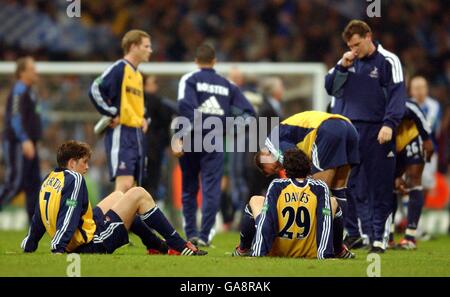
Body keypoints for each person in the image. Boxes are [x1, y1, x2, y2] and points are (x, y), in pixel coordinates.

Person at [21, 140, 206, 256]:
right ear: (71, 163)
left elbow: (39, 214)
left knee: (119, 195)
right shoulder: (75, 178)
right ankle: (179, 245)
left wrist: (30, 243)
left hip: (82, 232)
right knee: (138, 194)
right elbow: (69, 212)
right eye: (84, 162)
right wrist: (58, 249)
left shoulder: (50, 178)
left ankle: (156, 245)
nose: (87, 168)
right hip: (91, 244)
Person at [325, 20, 406, 253]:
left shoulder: (388, 61)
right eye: (350, 45)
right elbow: (330, 88)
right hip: (351, 131)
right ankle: (359, 233)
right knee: (351, 186)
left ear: (369, 37)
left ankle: (380, 238)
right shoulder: (348, 61)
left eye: (357, 44)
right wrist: (341, 65)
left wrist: (389, 123)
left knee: (380, 186)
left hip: (379, 131)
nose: (354, 49)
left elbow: (396, 95)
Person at [174, 44, 255, 246]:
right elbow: (250, 114)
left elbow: (185, 107)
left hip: (193, 137)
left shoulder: (189, 79)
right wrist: (230, 127)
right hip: (216, 138)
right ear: (215, 61)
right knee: (212, 188)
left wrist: (179, 136)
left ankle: (191, 232)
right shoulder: (226, 84)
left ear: (196, 61)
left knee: (189, 187)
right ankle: (204, 236)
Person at [253, 110, 359, 257]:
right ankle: (351, 234)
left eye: (276, 167)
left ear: (265, 155)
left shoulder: (271, 141)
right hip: (349, 128)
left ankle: (320, 242)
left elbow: (296, 162)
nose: (281, 168)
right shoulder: (283, 133)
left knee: (315, 192)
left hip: (327, 130)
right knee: (339, 189)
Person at [234, 148, 342, 259]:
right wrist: (326, 254)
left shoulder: (276, 185)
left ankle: (243, 248)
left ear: (285, 170)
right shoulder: (319, 187)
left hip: (277, 249)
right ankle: (339, 250)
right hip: (311, 251)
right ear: (309, 166)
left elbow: (267, 220)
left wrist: (258, 252)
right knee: (333, 202)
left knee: (256, 200)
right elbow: (324, 222)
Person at [89, 30, 150, 192]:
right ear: (133, 47)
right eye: (146, 46)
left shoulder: (137, 75)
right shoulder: (119, 69)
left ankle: (121, 218)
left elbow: (134, 104)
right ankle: (101, 217)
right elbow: (95, 88)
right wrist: (111, 113)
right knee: (125, 185)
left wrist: (142, 118)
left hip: (136, 134)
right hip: (122, 133)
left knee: (134, 189)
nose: (150, 50)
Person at [0, 56, 42, 222]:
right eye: (32, 69)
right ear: (22, 72)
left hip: (30, 143)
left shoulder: (30, 91)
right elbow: (15, 118)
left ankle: (34, 226)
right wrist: (24, 139)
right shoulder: (19, 90)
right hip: (18, 143)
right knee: (15, 183)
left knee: (33, 184)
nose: (36, 72)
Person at [388, 99, 433, 249]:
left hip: (411, 138)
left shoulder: (401, 101)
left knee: (414, 180)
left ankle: (410, 237)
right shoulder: (373, 101)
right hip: (390, 142)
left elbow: (415, 110)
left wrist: (427, 139)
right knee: (390, 184)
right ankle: (388, 236)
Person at [142, 75, 178, 204]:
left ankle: (155, 208)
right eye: (148, 84)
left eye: (153, 84)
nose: (151, 87)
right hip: (142, 150)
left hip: (156, 151)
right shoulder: (136, 103)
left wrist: (169, 143)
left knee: (155, 182)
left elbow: (171, 122)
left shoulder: (162, 105)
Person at [409, 75, 442, 194]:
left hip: (429, 148)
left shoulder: (434, 106)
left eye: (422, 87)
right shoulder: (407, 105)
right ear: (411, 90)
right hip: (410, 148)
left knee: (427, 182)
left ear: (427, 89)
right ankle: (407, 210)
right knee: (409, 181)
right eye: (416, 88)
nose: (419, 91)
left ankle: (421, 208)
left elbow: (431, 126)